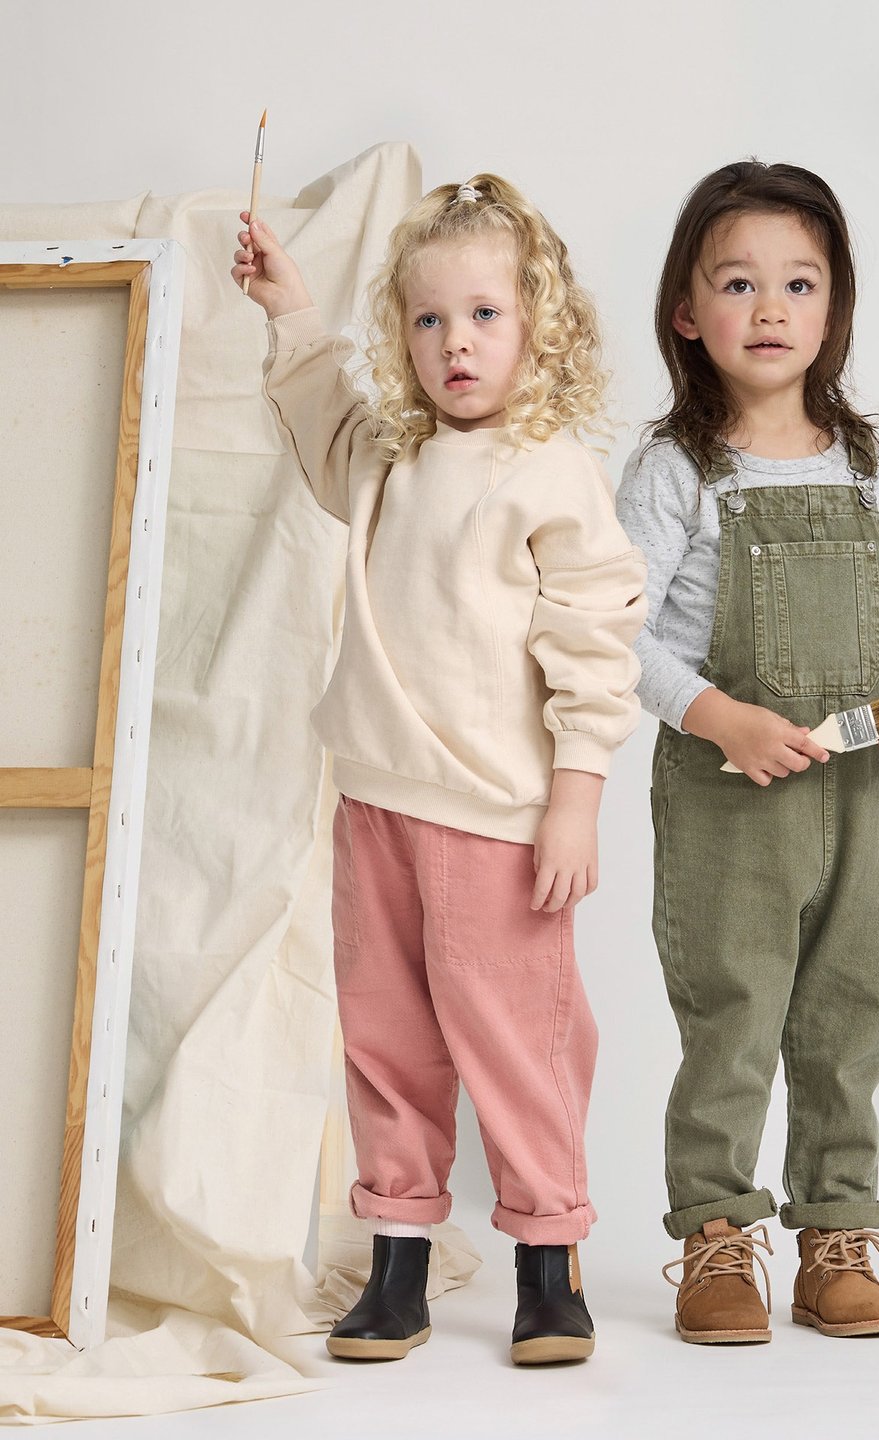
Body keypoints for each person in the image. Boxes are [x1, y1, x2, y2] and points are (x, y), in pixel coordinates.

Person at [231, 174, 646, 1366]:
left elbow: (594, 642)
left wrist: (576, 798)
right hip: (375, 804)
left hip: (497, 820)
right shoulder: (391, 458)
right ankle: (398, 1263)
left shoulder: (549, 470)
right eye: (428, 320)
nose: (454, 342)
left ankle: (548, 1264)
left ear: (538, 326)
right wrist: (288, 305)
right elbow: (324, 421)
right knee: (386, 1040)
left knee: (518, 1042)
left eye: (484, 315)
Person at [616, 160, 879, 1345]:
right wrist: (718, 716)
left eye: (799, 283)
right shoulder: (676, 470)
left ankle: (835, 1234)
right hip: (726, 801)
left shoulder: (870, 462)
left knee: (850, 1016)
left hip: (860, 794)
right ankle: (715, 1236)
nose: (770, 309)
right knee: (734, 1015)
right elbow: (616, 633)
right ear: (685, 310)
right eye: (738, 283)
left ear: (834, 304)